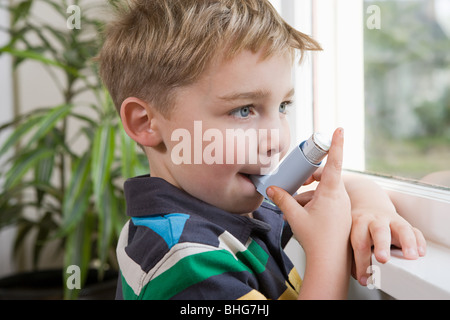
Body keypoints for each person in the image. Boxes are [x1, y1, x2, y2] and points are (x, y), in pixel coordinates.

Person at [97, 0, 426, 299]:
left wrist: (369, 209)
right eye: (243, 110)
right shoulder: (185, 262)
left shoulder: (229, 205)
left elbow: (344, 188)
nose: (276, 140)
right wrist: (328, 252)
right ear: (145, 123)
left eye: (283, 106)